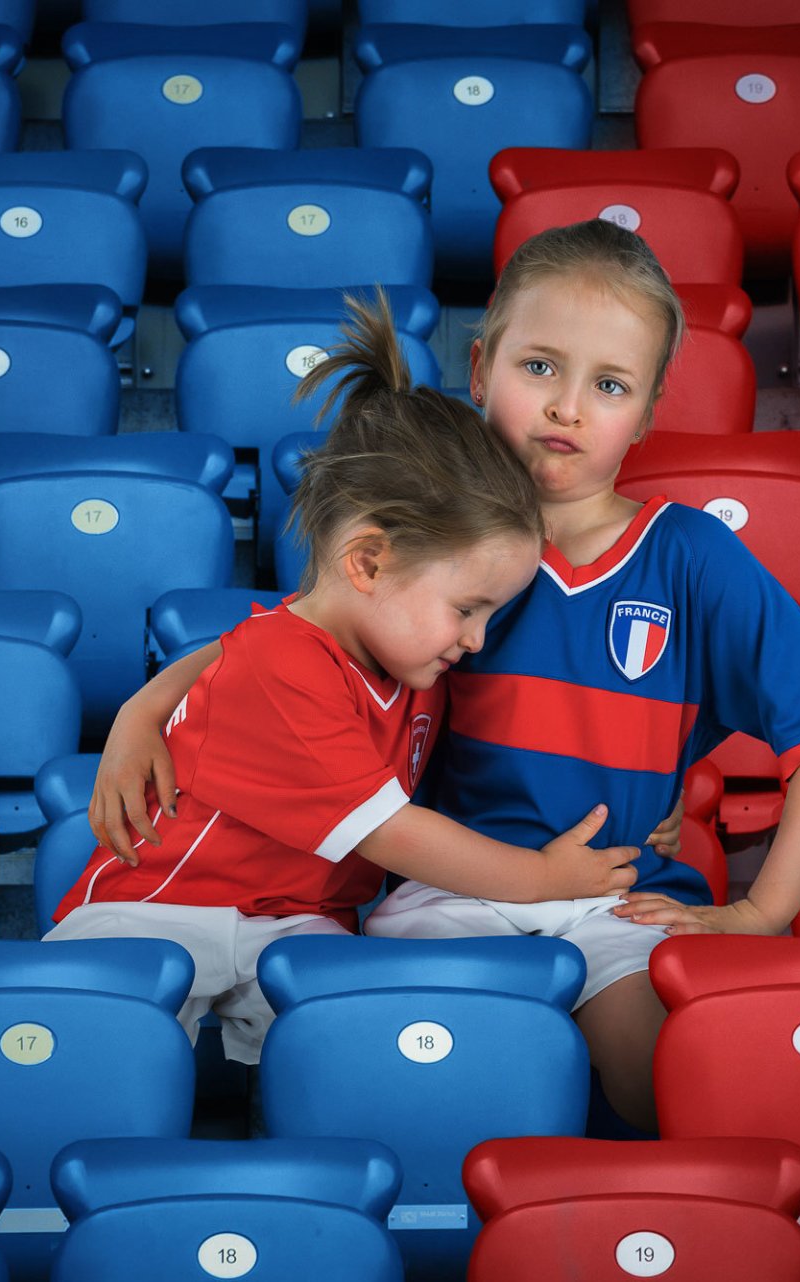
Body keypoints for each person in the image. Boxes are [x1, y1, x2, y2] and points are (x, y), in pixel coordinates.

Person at [91, 221, 800, 1126]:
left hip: (617, 898)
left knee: (669, 1090)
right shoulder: (435, 536)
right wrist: (144, 709)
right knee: (418, 1092)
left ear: (649, 412)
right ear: (479, 371)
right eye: (539, 367)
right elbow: (294, 643)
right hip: (444, 897)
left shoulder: (691, 558)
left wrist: (763, 912)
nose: (567, 408)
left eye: (609, 385)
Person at [48, 290, 641, 1066]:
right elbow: (390, 831)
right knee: (94, 1044)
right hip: (159, 906)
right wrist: (541, 877)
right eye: (468, 608)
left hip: (297, 922)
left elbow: (234, 645)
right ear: (367, 561)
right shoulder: (292, 660)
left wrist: (144, 704)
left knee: (361, 1042)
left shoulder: (396, 650)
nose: (477, 638)